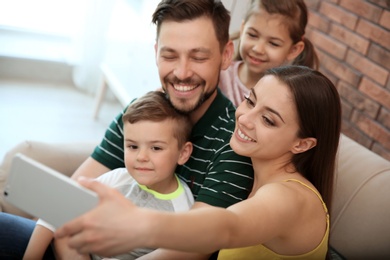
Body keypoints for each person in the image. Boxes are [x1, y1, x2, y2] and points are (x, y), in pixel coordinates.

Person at [0, 0, 254, 259]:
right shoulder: (142, 111)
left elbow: (194, 245)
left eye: (198, 57)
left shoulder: (234, 143)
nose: (182, 72)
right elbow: (73, 195)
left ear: (225, 55)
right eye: (169, 55)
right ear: (156, 53)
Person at [57, 65, 341, 260]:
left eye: (268, 119)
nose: (244, 118)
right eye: (250, 101)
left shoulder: (288, 197)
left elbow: (227, 227)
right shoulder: (257, 177)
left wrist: (140, 223)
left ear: (302, 144)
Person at [22, 91, 195, 259]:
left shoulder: (182, 211)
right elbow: (60, 205)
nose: (141, 157)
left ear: (183, 153)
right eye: (133, 146)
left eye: (156, 148)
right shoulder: (118, 178)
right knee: (64, 223)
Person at [219, 0, 319, 107]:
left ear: (293, 50)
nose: (258, 49)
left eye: (273, 43)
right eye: (252, 35)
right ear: (243, 29)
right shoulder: (218, 73)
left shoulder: (286, 101)